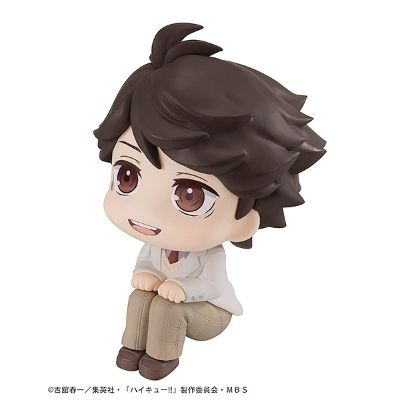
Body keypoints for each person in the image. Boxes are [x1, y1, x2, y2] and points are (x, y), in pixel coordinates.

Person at [93, 22, 326, 380]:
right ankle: (132, 348)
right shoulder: (154, 244)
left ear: (246, 220)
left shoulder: (211, 255)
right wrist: (145, 275)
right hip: (167, 299)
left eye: (190, 195)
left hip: (208, 311)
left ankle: (161, 359)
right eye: (127, 176)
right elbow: (145, 264)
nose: (147, 210)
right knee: (140, 298)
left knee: (168, 309)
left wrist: (182, 289)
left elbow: (212, 286)